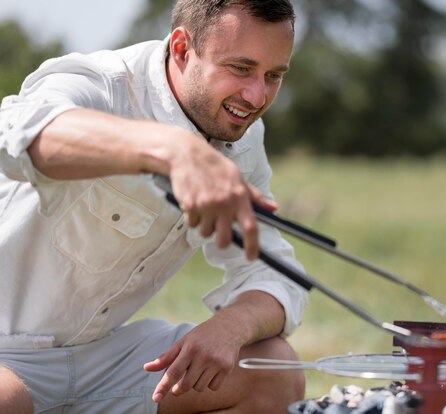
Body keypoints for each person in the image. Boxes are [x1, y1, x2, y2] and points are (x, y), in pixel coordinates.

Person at [0, 0, 310, 412]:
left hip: (101, 358)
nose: (256, 96)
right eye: (240, 68)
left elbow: (274, 275)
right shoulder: (102, 83)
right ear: (182, 49)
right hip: (5, 354)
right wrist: (168, 148)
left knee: (274, 369)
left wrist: (230, 327)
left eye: (273, 76)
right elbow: (19, 135)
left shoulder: (243, 141)